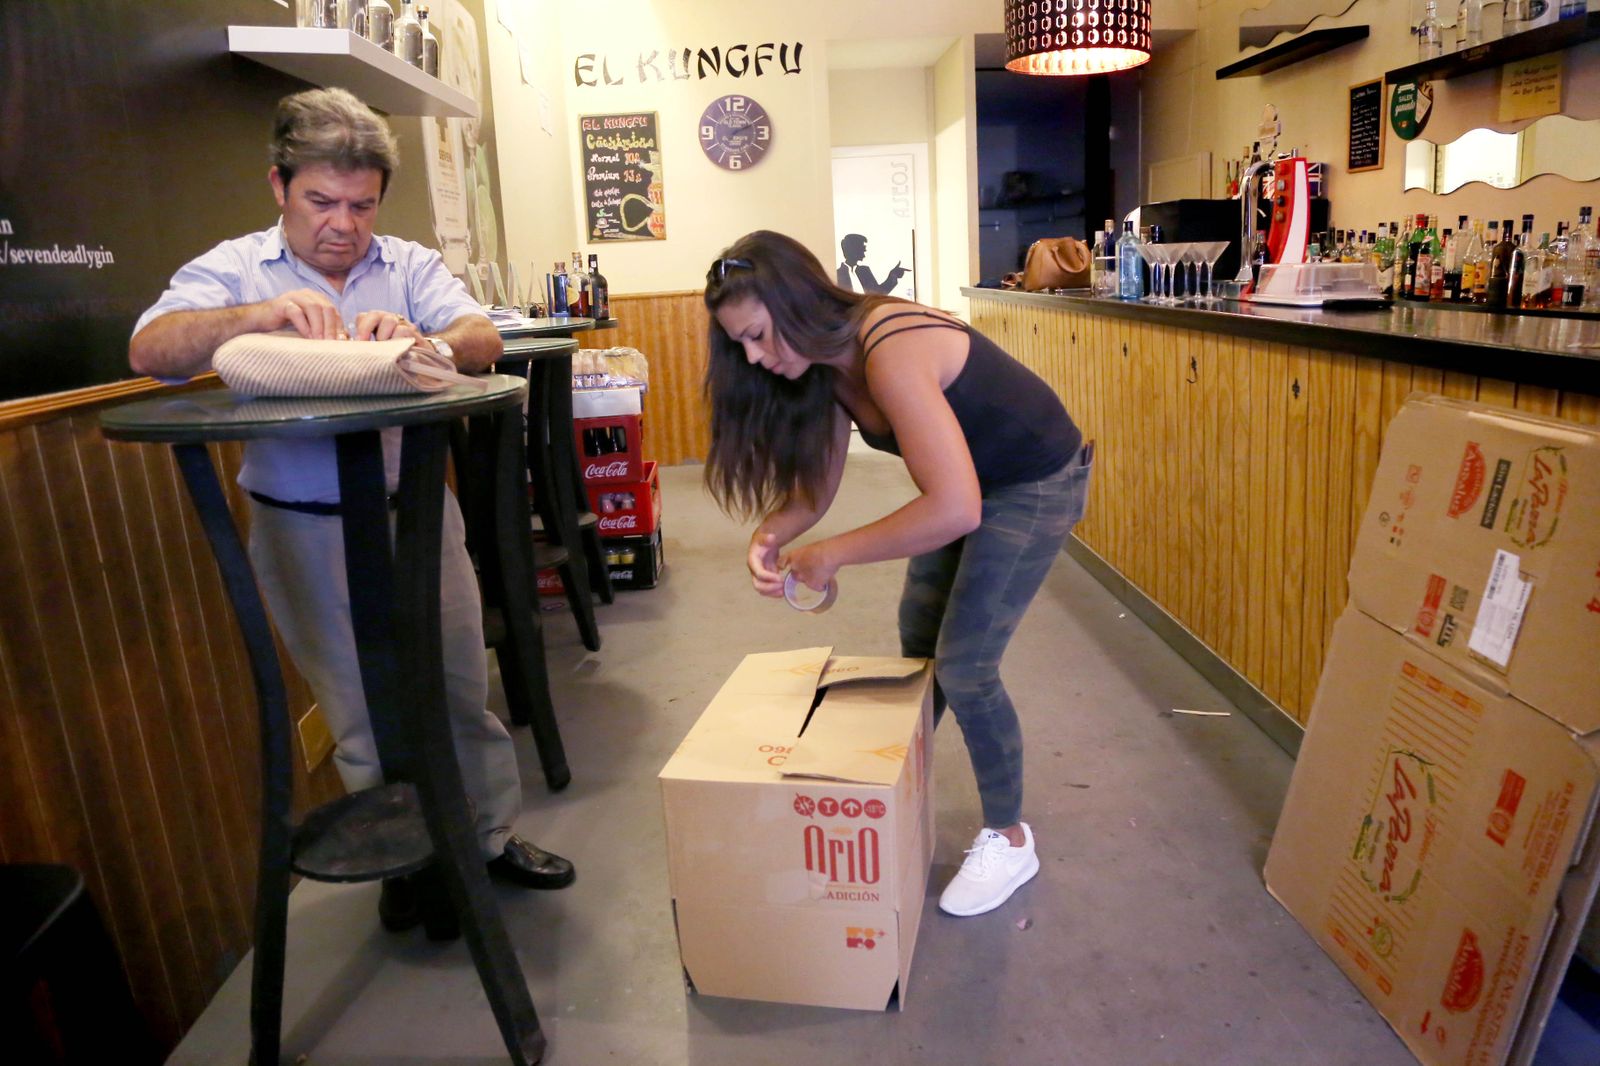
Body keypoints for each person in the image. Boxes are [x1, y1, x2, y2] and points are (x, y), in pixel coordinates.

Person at [128, 88, 573, 936]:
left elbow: (482, 338)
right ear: (279, 186)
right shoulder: (238, 266)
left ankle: (486, 844)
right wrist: (257, 316)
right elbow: (151, 350)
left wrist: (423, 340)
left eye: (362, 205)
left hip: (418, 516)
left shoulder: (405, 263)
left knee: (459, 690)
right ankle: (406, 869)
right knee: (358, 712)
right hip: (296, 522)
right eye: (321, 201)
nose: (343, 225)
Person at [703, 231, 1091, 918]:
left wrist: (832, 554)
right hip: (975, 483)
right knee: (919, 641)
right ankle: (895, 791)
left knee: (966, 665)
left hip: (1033, 481)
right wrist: (771, 537)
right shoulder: (822, 366)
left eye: (757, 336)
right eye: (741, 346)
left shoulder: (891, 346)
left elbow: (955, 507)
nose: (756, 358)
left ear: (795, 303)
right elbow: (816, 489)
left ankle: (1010, 838)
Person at [836, 233, 908, 294]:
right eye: (862, 250)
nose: (864, 254)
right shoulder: (838, 274)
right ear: (853, 250)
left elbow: (878, 293)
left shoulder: (864, 271)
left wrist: (893, 275)